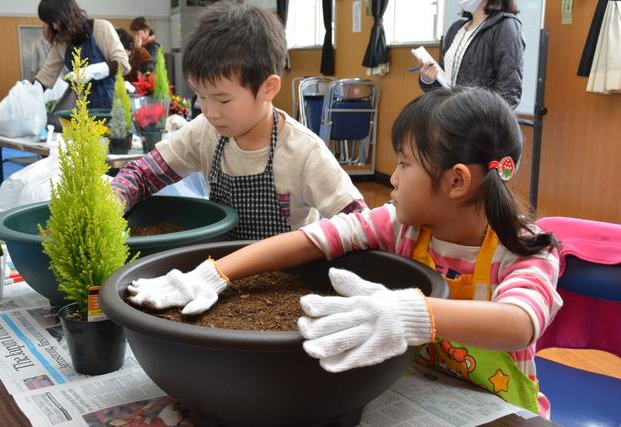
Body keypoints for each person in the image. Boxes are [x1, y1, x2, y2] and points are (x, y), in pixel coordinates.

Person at [127, 87, 563, 417]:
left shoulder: (525, 250)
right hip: (418, 394)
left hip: (498, 411)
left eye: (406, 164)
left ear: (456, 182)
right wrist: (213, 273)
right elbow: (311, 239)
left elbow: (518, 323)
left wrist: (407, 312)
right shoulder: (400, 225)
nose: (393, 178)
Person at [111, 2, 366, 240]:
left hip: (286, 278)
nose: (210, 111)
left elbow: (359, 220)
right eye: (200, 96)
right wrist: (114, 199)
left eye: (222, 100)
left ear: (268, 88)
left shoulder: (303, 152)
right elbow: (143, 174)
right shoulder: (205, 133)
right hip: (219, 270)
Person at [419, 0, 524, 109]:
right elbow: (445, 79)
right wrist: (428, 79)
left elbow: (509, 93)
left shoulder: (505, 25)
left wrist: (472, 116)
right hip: (450, 115)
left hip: (477, 121)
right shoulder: (456, 28)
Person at [34, 0, 130, 109]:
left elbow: (123, 64)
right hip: (83, 109)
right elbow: (45, 77)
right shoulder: (61, 43)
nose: (55, 27)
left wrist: (92, 71)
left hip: (113, 108)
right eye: (51, 23)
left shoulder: (101, 28)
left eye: (55, 22)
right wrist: (26, 93)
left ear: (67, 16)